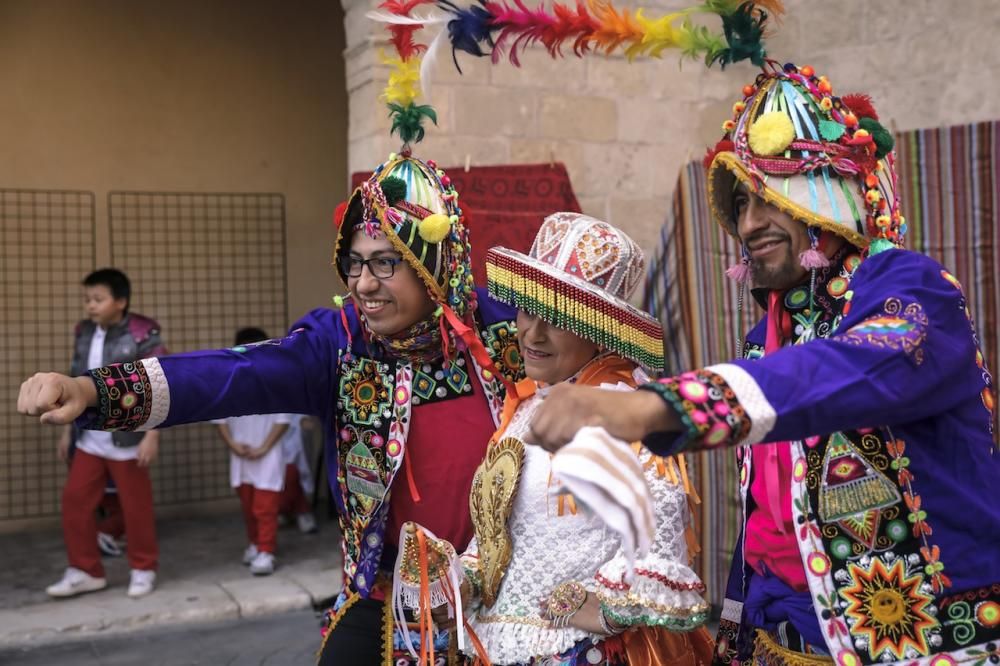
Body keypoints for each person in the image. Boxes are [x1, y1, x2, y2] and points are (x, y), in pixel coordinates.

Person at [526, 62, 1000, 665]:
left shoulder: (914, 291)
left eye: (772, 193)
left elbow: (848, 370)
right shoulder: (766, 340)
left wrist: (653, 406)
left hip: (920, 646)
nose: (748, 223)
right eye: (741, 202)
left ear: (831, 190)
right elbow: (767, 529)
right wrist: (736, 635)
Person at [16, 153, 522, 663]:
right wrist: (94, 391)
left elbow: (590, 357)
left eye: (386, 262)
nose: (364, 284)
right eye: (355, 262)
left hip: (508, 595)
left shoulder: (503, 330)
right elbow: (232, 376)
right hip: (387, 598)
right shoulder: (340, 348)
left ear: (432, 263)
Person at [398, 213, 714, 665]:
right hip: (498, 646)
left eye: (557, 319)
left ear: (597, 328)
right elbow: (503, 540)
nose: (532, 333)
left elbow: (660, 531)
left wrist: (604, 609)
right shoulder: (524, 409)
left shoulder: (619, 408)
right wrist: (459, 579)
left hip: (576, 652)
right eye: (528, 311)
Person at [48, 268, 168, 599]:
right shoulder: (83, 331)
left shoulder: (144, 331)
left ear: (121, 302)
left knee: (136, 507)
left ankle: (143, 568)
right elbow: (74, 379)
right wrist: (67, 431)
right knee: (75, 500)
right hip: (90, 436)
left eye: (98, 299)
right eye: (87, 299)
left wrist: (152, 434)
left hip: (129, 434)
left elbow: (159, 383)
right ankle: (85, 570)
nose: (90, 306)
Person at [213, 327, 298, 576]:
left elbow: (283, 421)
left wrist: (263, 447)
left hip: (268, 456)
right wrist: (233, 445)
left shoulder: (277, 383)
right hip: (240, 457)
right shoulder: (229, 383)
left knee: (265, 507)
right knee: (248, 506)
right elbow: (220, 421)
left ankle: (266, 551)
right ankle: (254, 544)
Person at [278, 413, 318, 534]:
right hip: (271, 446)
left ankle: (300, 512)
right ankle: (293, 511)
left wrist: (305, 421)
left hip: (294, 450)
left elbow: (309, 424)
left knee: (293, 475)